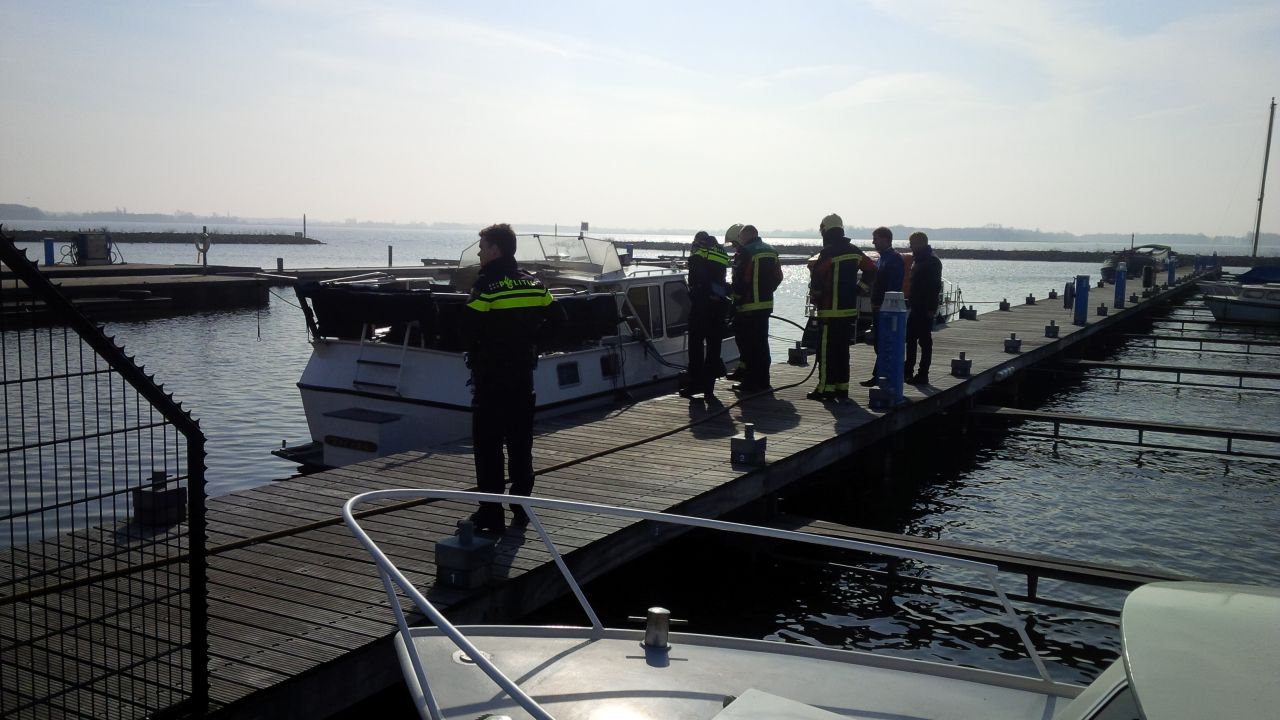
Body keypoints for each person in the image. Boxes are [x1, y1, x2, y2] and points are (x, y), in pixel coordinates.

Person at [462, 223, 564, 533]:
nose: (479, 253)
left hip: (491, 379)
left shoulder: (486, 287)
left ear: (495, 249)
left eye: (482, 247)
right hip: (522, 377)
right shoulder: (534, 284)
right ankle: (521, 507)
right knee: (521, 444)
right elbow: (560, 320)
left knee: (489, 447)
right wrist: (533, 344)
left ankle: (491, 513)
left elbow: (468, 330)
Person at [806, 214, 877, 401]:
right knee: (842, 350)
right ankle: (842, 388)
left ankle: (825, 389)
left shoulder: (829, 252)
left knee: (826, 352)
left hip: (829, 311)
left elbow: (818, 278)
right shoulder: (854, 250)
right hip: (848, 310)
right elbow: (871, 269)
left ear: (826, 231)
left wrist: (816, 296)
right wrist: (858, 289)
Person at [729, 224, 783, 392]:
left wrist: (736, 299)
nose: (740, 241)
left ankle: (750, 382)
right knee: (762, 343)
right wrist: (767, 290)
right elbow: (778, 276)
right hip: (765, 305)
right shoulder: (771, 251)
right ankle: (764, 381)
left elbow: (740, 279)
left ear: (745, 236)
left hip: (747, 305)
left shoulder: (745, 252)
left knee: (748, 345)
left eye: (740, 237)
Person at [681, 230, 730, 399]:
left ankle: (696, 384)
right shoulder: (721, 252)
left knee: (695, 346)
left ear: (697, 240)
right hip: (718, 306)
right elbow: (721, 278)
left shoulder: (699, 250)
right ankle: (709, 388)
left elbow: (696, 278)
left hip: (702, 305)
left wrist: (696, 294)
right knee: (714, 347)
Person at [859, 226, 904, 387]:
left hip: (885, 309)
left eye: (876, 239)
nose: (873, 242)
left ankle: (883, 375)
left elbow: (894, 286)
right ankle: (879, 374)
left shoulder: (894, 259)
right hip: (877, 307)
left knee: (885, 343)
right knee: (879, 343)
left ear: (886, 239)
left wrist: (886, 306)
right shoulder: (881, 258)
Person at [904, 231, 942, 385]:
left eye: (913, 243)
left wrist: (931, 308)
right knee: (910, 338)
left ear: (921, 243)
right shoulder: (917, 260)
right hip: (915, 306)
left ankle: (923, 373)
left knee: (925, 342)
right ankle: (908, 370)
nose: (910, 246)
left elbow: (935, 287)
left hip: (925, 307)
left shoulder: (932, 261)